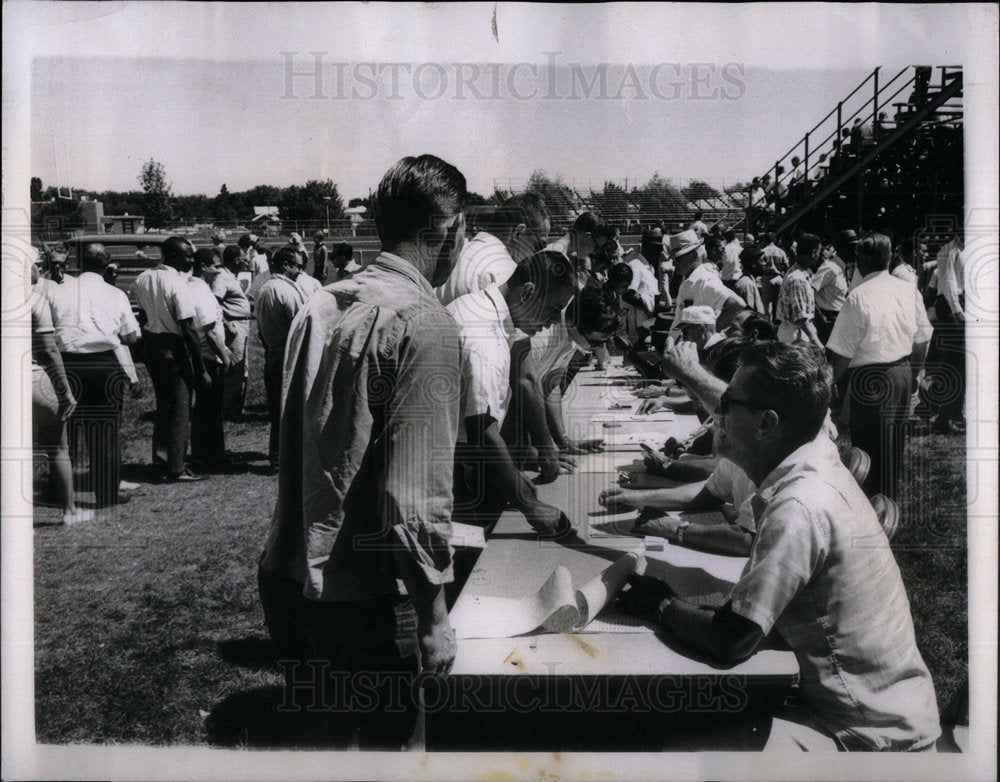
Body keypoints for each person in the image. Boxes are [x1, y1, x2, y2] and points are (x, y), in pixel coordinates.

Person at [616, 342, 941, 752]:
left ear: (767, 424)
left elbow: (731, 640)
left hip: (865, 732)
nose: (718, 411)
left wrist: (659, 603)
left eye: (729, 402)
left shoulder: (798, 507)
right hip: (880, 707)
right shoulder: (813, 455)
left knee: (670, 740)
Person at [258, 154, 467, 749]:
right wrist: (434, 615)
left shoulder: (320, 303)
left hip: (289, 574)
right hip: (365, 595)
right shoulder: (425, 321)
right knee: (391, 752)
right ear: (450, 228)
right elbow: (414, 495)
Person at [447, 250, 578, 537]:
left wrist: (534, 453)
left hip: (458, 451)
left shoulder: (483, 308)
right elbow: (481, 431)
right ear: (528, 293)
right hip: (454, 464)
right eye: (553, 309)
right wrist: (530, 505)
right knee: (468, 559)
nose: (556, 321)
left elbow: (524, 378)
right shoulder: (485, 339)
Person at [827, 233, 932, 497]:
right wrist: (915, 374)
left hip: (870, 380)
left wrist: (828, 386)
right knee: (894, 449)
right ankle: (888, 508)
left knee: (868, 453)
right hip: (903, 372)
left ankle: (873, 516)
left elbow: (841, 354)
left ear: (859, 261)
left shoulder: (858, 297)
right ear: (889, 258)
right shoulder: (909, 290)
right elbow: (922, 339)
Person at [53, 242, 141, 507]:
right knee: (104, 432)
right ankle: (106, 494)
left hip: (64, 364)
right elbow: (130, 337)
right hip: (103, 364)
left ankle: (61, 492)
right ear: (107, 264)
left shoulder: (58, 292)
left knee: (63, 433)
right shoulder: (114, 294)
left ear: (79, 264)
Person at [133, 236, 210, 483]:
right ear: (173, 256)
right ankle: (176, 467)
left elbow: (143, 315)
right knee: (179, 408)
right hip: (172, 346)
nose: (191, 260)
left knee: (163, 406)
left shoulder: (143, 278)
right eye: (187, 255)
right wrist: (201, 370)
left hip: (151, 345)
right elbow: (188, 329)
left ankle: (161, 460)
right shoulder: (177, 283)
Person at [30, 249, 92, 525]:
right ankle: (69, 510)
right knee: (57, 447)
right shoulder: (33, 299)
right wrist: (65, 391)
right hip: (35, 379)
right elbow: (49, 350)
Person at [434, 192, 550, 306]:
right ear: (518, 233)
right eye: (539, 245)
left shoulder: (456, 252)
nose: (537, 254)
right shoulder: (508, 274)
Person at [255, 247, 306, 470]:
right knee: (292, 409)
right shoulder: (286, 291)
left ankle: (277, 456)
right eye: (297, 266)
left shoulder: (264, 288)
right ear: (285, 265)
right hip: (288, 353)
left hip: (273, 352)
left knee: (278, 409)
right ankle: (286, 458)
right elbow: (301, 324)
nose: (300, 270)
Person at [188, 249, 233, 471]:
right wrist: (225, 355)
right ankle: (208, 455)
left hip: (207, 353)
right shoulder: (199, 290)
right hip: (209, 355)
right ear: (203, 267)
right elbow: (209, 330)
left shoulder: (198, 287)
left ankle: (210, 452)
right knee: (209, 410)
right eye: (215, 266)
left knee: (208, 409)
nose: (219, 269)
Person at [668, 229, 746, 335]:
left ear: (694, 256)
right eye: (673, 261)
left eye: (678, 260)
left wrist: (711, 333)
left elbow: (737, 303)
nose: (674, 265)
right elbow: (679, 319)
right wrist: (670, 341)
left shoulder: (704, 279)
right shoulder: (689, 280)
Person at [212, 245, 253, 420]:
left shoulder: (231, 277)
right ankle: (227, 411)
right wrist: (226, 322)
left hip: (242, 324)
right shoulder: (221, 278)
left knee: (242, 367)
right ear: (237, 260)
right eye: (245, 259)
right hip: (234, 326)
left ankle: (235, 408)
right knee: (234, 367)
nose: (247, 262)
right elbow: (214, 303)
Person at [930, 231, 966, 434]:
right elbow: (948, 284)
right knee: (955, 362)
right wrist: (958, 313)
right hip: (952, 308)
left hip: (963, 305)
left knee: (958, 363)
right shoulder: (947, 252)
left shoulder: (969, 250)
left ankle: (950, 411)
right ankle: (946, 417)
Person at [775, 233, 823, 347]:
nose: (819, 256)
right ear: (813, 252)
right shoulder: (797, 278)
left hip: (799, 331)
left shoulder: (799, 272)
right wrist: (815, 340)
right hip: (795, 334)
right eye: (819, 252)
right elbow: (800, 316)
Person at [811, 240, 849, 344]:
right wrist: (820, 318)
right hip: (829, 320)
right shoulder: (830, 268)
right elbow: (809, 292)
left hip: (840, 318)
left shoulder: (842, 268)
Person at [733, 245, 766, 315]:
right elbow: (748, 316)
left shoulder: (749, 281)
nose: (765, 264)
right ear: (753, 264)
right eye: (762, 261)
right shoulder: (747, 285)